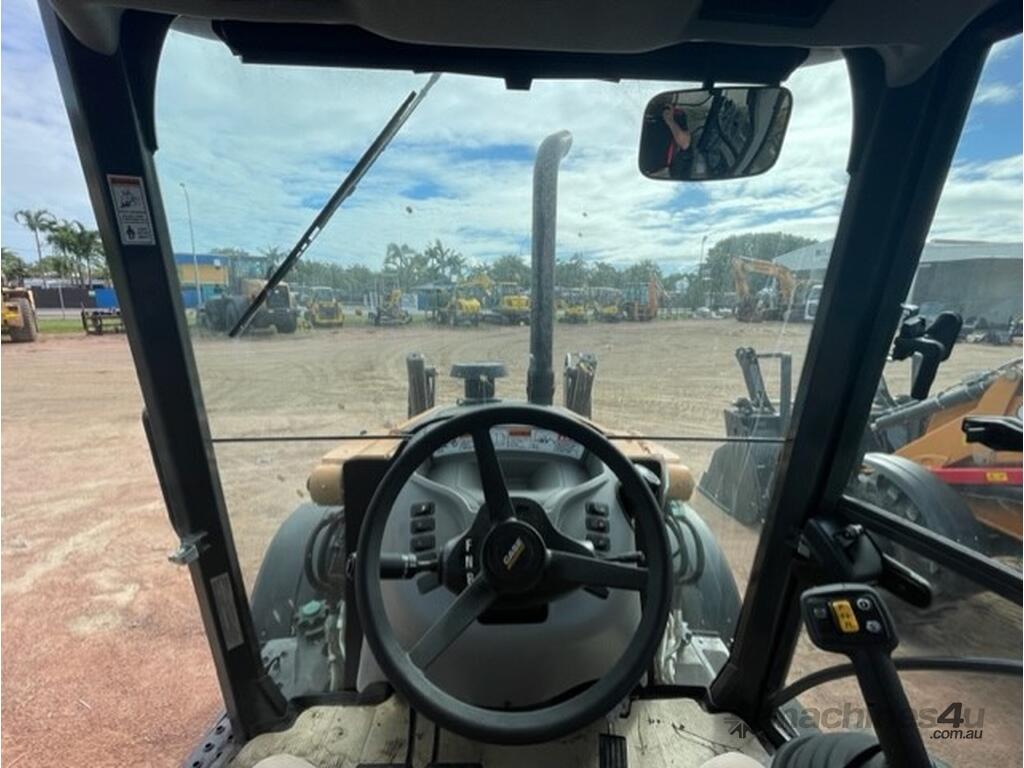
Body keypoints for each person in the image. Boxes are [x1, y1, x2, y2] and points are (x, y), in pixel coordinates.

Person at [640, 102, 694, 179]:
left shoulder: (677, 115)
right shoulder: (637, 111)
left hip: (655, 169)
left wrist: (669, 120)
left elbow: (684, 143)